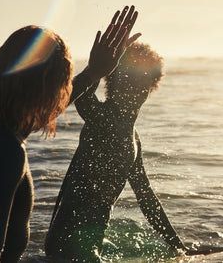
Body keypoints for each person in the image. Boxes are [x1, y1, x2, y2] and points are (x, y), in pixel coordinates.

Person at [0, 5, 141, 263]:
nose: (63, 93)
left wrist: (94, 71)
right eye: (63, 81)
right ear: (47, 87)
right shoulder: (5, 151)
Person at [45, 43, 192, 262]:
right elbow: (78, 96)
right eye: (129, 81)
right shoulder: (101, 118)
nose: (136, 89)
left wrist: (180, 250)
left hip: (92, 241)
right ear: (114, 83)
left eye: (143, 80)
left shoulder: (132, 137)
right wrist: (96, 68)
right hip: (68, 241)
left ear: (151, 85)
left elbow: (146, 198)